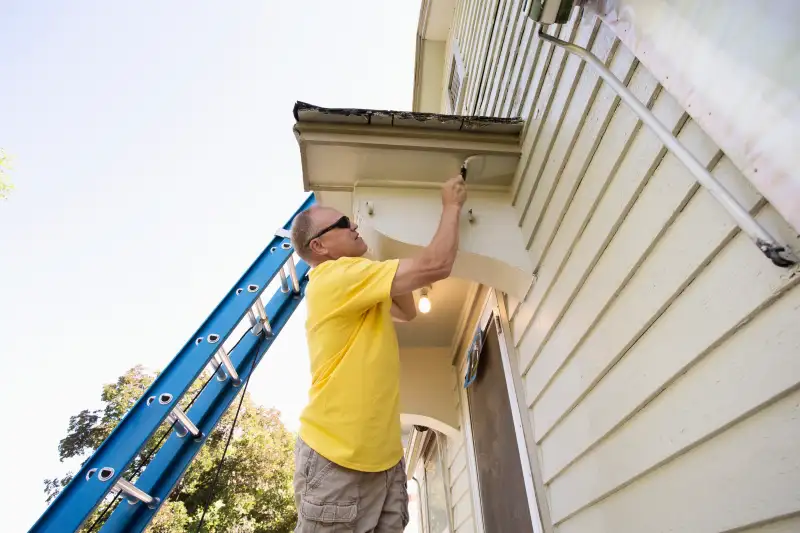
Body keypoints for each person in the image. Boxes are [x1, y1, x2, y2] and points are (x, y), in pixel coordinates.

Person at [288, 174, 467, 532]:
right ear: (319, 247)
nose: (353, 224)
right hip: (337, 457)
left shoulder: (358, 282)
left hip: (383, 460)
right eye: (342, 224)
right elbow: (436, 266)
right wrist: (451, 206)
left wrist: (373, 251)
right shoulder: (336, 277)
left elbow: (407, 311)